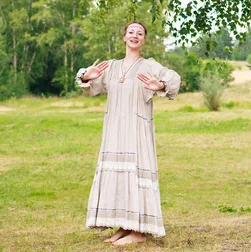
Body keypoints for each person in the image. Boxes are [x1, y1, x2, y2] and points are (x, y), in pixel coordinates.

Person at [75, 20, 180, 246]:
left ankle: (139, 233)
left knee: (134, 173)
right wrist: (86, 76)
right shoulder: (111, 66)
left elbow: (174, 78)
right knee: (119, 175)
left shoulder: (149, 65)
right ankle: (124, 225)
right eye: (131, 32)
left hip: (137, 128)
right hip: (114, 128)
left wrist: (160, 85)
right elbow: (92, 88)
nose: (134, 35)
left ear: (144, 40)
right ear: (124, 37)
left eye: (139, 33)